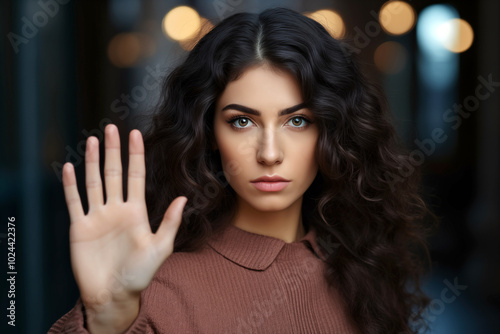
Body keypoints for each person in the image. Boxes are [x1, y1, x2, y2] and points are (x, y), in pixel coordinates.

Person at [48, 7, 434, 334]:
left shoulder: (362, 264)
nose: (269, 153)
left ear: (331, 131)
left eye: (297, 121)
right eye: (242, 122)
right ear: (209, 132)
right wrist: (105, 318)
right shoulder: (160, 292)